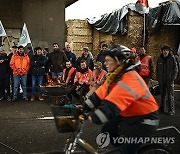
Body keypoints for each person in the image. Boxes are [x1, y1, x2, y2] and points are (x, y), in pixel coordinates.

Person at [81, 45, 159, 154]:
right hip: (130, 114)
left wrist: (92, 117)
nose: (104, 63)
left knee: (128, 150)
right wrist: (83, 106)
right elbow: (100, 94)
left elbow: (111, 105)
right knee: (107, 130)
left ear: (119, 61)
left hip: (145, 119)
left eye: (108, 60)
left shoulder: (130, 78)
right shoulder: (115, 76)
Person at [156, 44, 178, 115]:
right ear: (162, 51)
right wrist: (158, 78)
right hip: (162, 80)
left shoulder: (172, 58)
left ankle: (171, 110)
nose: (165, 52)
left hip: (169, 80)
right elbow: (157, 69)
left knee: (170, 95)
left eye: (167, 50)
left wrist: (173, 78)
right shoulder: (159, 58)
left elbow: (176, 69)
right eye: (164, 50)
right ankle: (162, 108)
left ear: (169, 51)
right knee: (162, 95)